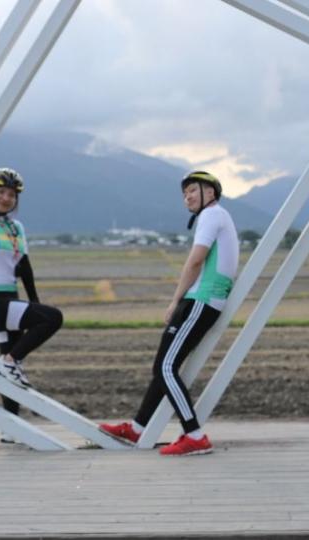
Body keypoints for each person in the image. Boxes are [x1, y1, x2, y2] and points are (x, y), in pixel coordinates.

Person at [99, 171, 238, 456]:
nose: (187, 196)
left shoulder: (211, 215)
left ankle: (195, 435)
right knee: (162, 367)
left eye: (193, 190)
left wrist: (175, 300)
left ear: (210, 192)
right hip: (203, 299)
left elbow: (196, 260)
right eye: (184, 193)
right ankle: (137, 429)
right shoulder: (217, 215)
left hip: (200, 299)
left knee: (165, 367)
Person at [0, 168, 63, 442]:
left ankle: (11, 429)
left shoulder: (15, 228)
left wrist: (34, 301)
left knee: (10, 364)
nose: (6, 198)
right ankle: (8, 362)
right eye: (1, 192)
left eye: (11, 194)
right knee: (52, 318)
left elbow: (24, 266)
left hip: (9, 297)